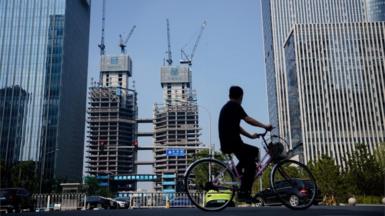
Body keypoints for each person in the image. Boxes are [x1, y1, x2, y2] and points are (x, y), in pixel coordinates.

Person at [218, 86, 272, 203]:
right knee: (251, 163)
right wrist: (265, 126)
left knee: (252, 152)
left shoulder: (228, 107)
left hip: (230, 142)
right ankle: (244, 193)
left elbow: (237, 127)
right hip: (233, 143)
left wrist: (250, 136)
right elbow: (248, 120)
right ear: (241, 96)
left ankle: (238, 171)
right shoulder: (235, 106)